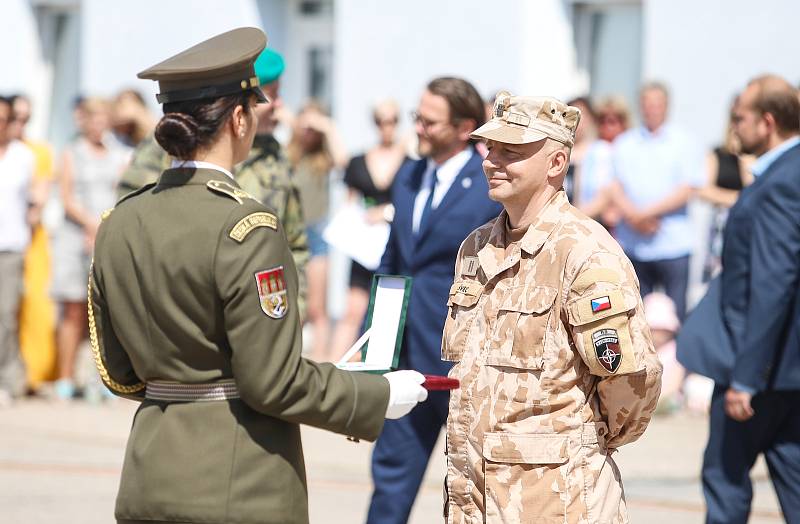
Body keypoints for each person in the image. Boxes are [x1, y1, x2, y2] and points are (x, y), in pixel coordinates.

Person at [89, 27, 427, 524]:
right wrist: (377, 396)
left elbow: (118, 372)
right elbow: (274, 381)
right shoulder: (246, 227)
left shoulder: (119, 221)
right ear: (240, 118)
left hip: (148, 475)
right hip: (238, 483)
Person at [442, 92, 662, 522]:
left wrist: (583, 442)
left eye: (512, 152)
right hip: (474, 499)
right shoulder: (476, 247)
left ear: (556, 163)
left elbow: (631, 381)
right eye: (491, 149)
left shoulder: (584, 252)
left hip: (556, 499)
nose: (492, 161)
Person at [366, 77, 502, 524]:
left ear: (465, 127)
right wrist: (374, 353)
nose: (418, 128)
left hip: (465, 363)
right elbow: (393, 264)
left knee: (476, 490)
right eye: (416, 117)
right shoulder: (408, 175)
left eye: (429, 121)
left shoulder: (488, 187)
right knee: (390, 480)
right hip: (407, 360)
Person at [681, 75, 800, 524]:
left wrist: (747, 377)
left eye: (740, 118)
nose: (734, 129)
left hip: (759, 372)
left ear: (767, 122)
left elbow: (773, 283)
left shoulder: (779, 183)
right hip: (787, 371)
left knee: (725, 482)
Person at [116, 48, 310, 316]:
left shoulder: (275, 155)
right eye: (271, 95)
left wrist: (289, 311)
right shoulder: (170, 143)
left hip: (257, 311)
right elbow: (132, 222)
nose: (279, 106)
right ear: (240, 109)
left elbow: (295, 243)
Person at [51, 97, 131, 400]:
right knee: (72, 308)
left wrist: (105, 228)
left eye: (103, 118)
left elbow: (124, 192)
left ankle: (105, 378)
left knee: (105, 310)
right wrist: (90, 224)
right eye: (93, 118)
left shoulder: (119, 154)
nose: (98, 124)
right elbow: (67, 196)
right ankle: (65, 378)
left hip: (106, 235)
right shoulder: (72, 153)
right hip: (76, 236)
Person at [609, 82, 704, 320]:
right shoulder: (625, 143)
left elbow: (687, 188)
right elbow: (613, 186)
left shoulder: (683, 141)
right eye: (647, 104)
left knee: (675, 316)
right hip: (634, 243)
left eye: (657, 104)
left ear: (666, 106)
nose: (652, 109)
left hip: (673, 243)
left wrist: (645, 214)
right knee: (635, 316)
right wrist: (635, 217)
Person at [329, 99, 406, 362]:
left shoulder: (409, 162)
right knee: (352, 309)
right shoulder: (358, 161)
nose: (387, 127)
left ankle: (375, 369)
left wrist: (386, 213)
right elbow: (349, 202)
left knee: (388, 311)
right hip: (365, 246)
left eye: (392, 120)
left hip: (394, 243)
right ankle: (334, 369)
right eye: (381, 121)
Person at [286, 101, 348, 360]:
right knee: (291, 306)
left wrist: (326, 125)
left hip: (317, 235)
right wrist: (297, 123)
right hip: (289, 235)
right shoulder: (288, 155)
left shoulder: (323, 159)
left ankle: (321, 364)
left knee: (316, 309)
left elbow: (344, 160)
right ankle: (292, 361)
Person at [8, 94, 58, 390]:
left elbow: (39, 196)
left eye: (26, 118)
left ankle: (30, 373)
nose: (19, 124)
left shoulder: (36, 152)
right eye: (15, 117)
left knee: (34, 305)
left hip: (30, 238)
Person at [0, 96, 36, 404]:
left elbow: (34, 202)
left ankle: (7, 380)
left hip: (10, 246)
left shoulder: (23, 157)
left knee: (6, 315)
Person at [696, 99, 753, 281]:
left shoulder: (752, 157)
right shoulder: (718, 153)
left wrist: (742, 156)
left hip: (745, 227)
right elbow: (704, 190)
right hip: (719, 230)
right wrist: (737, 198)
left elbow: (752, 187)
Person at [575, 95, 632, 227]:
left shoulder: (631, 150)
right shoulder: (595, 150)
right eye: (602, 121)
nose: (607, 126)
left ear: (624, 123)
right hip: (593, 221)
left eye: (613, 121)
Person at [564, 95, 596, 203]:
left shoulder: (600, 152)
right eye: (572, 115)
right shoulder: (558, 151)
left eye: (582, 115)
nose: (577, 121)